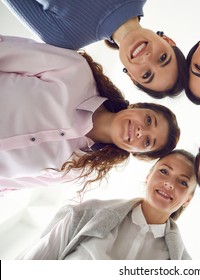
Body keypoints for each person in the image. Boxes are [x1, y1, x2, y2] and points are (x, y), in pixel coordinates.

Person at [0, 35, 180, 195]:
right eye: (149, 120)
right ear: (137, 106)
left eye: (148, 142)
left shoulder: (74, 169)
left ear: (136, 153)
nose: (142, 131)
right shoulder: (75, 71)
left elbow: (7, 184)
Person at [16, 149, 196, 259]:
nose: (169, 183)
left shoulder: (180, 263)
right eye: (164, 171)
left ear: (187, 199)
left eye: (183, 182)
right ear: (148, 176)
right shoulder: (86, 214)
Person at [3, 0, 187, 98]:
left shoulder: (65, 39)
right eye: (163, 58)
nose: (147, 59)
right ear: (168, 40)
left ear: (131, 76)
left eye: (146, 75)